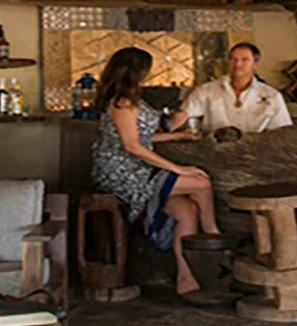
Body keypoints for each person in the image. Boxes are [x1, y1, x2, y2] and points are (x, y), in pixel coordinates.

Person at [90, 46, 218, 294]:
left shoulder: (131, 99)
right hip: (121, 172)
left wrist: (179, 136)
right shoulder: (121, 102)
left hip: (137, 168)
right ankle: (214, 234)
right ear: (137, 71)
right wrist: (178, 168)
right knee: (202, 183)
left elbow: (145, 138)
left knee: (187, 210)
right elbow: (131, 145)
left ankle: (186, 278)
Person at [171, 42, 292, 135]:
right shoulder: (207, 91)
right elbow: (183, 114)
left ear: (256, 64)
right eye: (233, 59)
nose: (238, 64)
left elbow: (282, 132)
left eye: (244, 60)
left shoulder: (272, 96)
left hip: (257, 155)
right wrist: (161, 131)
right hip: (215, 153)